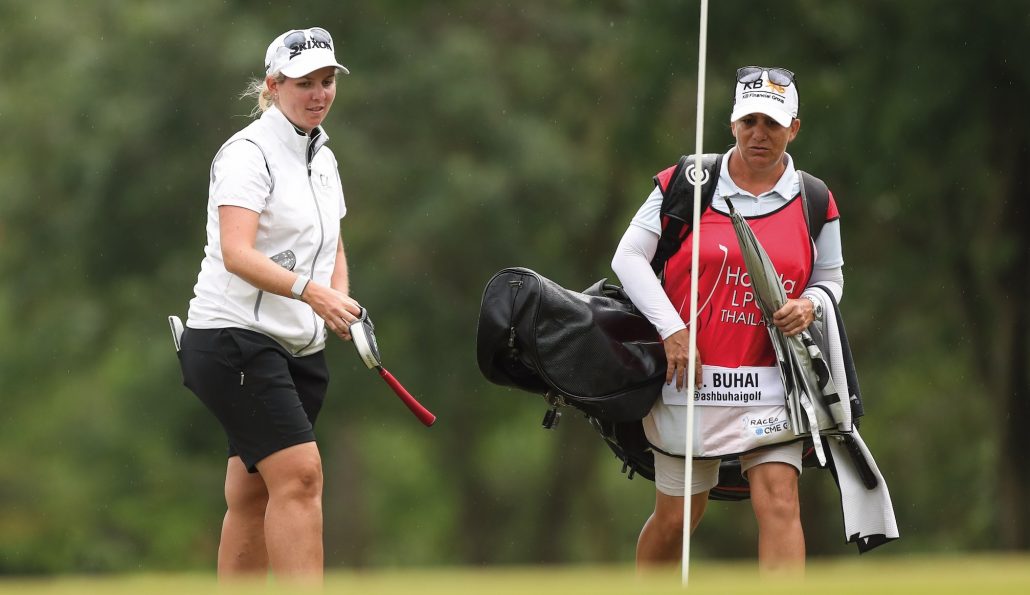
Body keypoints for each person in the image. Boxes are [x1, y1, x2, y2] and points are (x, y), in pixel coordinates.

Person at [611, 66, 844, 574]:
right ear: (732, 123)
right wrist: (672, 330)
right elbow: (628, 258)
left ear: (794, 128)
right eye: (750, 121)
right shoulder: (690, 182)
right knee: (677, 517)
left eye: (773, 123)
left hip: (770, 380)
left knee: (780, 500)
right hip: (688, 377)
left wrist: (810, 305)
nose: (760, 134)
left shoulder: (814, 199)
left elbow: (830, 280)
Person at [177, 27, 360, 583]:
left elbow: (332, 244)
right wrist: (313, 292)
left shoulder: (323, 158)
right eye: (305, 83)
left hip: (296, 346)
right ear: (274, 86)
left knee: (252, 492)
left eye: (327, 81)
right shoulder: (247, 153)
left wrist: (342, 301)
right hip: (232, 339)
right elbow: (236, 252)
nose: (319, 94)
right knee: (301, 476)